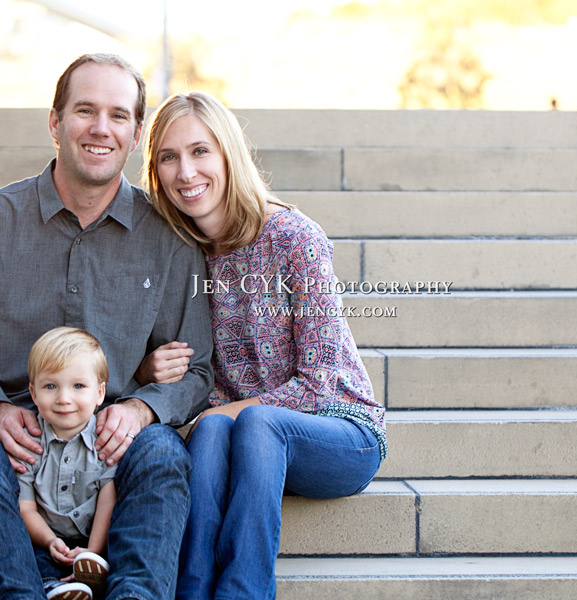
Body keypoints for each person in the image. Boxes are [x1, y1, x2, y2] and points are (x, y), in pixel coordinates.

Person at [0, 54, 214, 600]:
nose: (101, 128)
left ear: (134, 138)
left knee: (163, 453)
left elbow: (196, 369)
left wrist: (142, 407)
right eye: (85, 110)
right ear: (55, 123)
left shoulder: (171, 238)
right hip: (18, 446)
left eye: (119, 116)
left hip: (113, 442)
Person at [139, 91, 388, 600]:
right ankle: (191, 591)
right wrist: (147, 369)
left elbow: (318, 384)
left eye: (200, 151)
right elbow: (190, 376)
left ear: (229, 153)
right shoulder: (183, 255)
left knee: (244, 422)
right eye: (169, 156)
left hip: (340, 433)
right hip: (242, 438)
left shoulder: (295, 237)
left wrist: (223, 414)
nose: (186, 172)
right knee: (214, 433)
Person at [19, 327, 118, 600]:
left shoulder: (105, 440)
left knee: (117, 537)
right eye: (50, 386)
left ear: (99, 393)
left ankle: (94, 574)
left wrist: (93, 550)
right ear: (33, 392)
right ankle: (54, 586)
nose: (64, 398)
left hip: (93, 535)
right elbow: (25, 508)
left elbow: (107, 502)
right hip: (44, 536)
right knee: (28, 552)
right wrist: (50, 541)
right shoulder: (28, 443)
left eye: (78, 386)